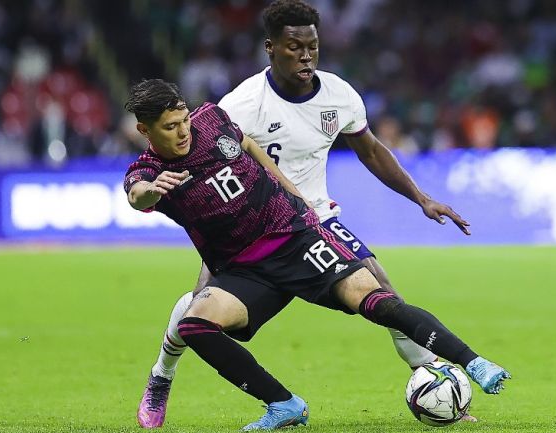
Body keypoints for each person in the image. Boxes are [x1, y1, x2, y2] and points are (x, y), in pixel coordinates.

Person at [137, 0, 487, 428]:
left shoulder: (339, 95)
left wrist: (420, 197)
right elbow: (201, 155)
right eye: (294, 46)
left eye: (313, 47)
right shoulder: (242, 103)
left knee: (381, 289)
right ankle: (162, 375)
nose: (306, 55)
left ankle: (439, 385)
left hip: (313, 215)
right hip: (246, 226)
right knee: (198, 305)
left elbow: (371, 150)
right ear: (271, 48)